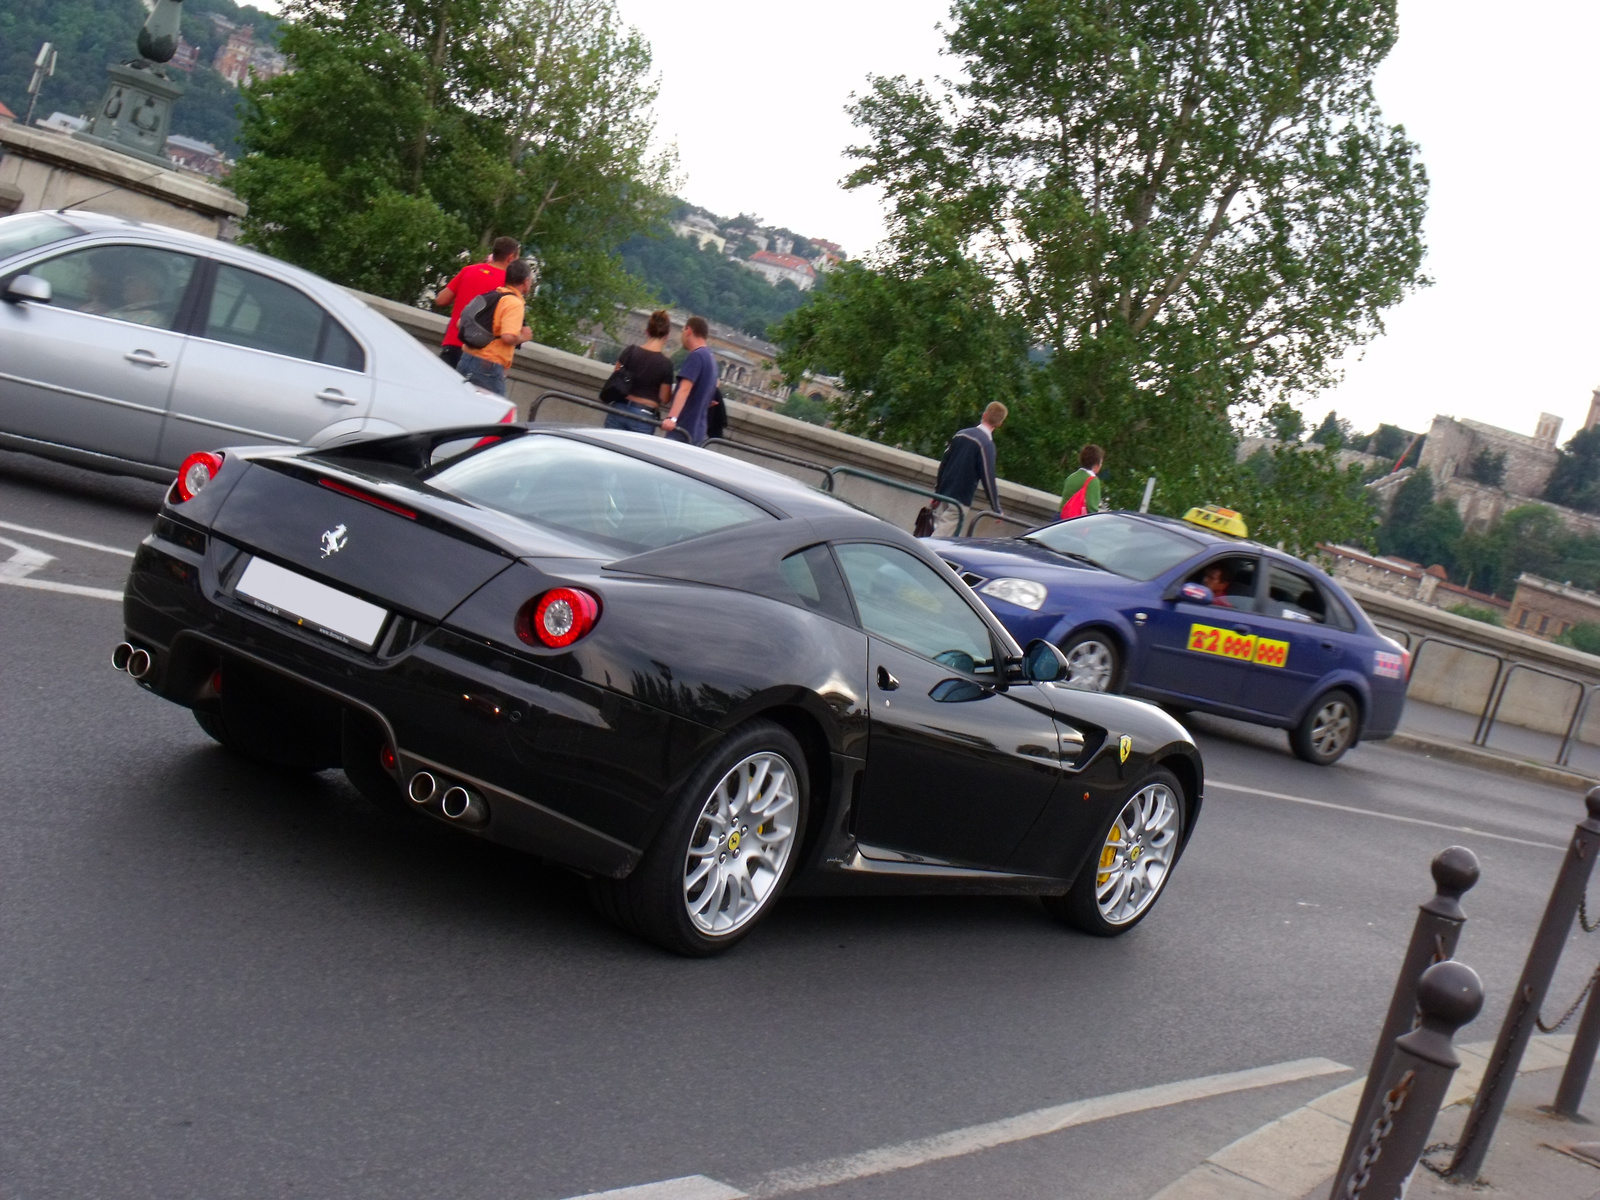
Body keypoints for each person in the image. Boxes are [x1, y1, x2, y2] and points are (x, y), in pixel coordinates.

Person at [434, 236, 520, 368]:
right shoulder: (508, 286)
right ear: (510, 257)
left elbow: (441, 300)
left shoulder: (468, 270)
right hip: (480, 352)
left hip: (452, 342)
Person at [927, 402, 1007, 538]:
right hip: (961, 497)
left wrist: (937, 491)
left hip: (945, 491)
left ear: (984, 415)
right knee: (941, 537)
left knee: (943, 530)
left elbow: (944, 462)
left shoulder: (961, 434)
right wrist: (996, 507)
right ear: (999, 424)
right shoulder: (986, 445)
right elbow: (988, 477)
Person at [454, 258, 533, 396]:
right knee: (499, 413)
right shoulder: (514, 303)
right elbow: (508, 336)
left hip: (466, 358)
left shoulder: (493, 295)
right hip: (488, 365)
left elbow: (460, 323)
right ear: (526, 281)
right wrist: (523, 337)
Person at [604, 310, 675, 434]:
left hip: (619, 407)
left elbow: (615, 378)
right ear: (667, 336)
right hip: (644, 415)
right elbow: (664, 398)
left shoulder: (630, 351)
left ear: (647, 331)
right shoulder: (666, 364)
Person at [661, 315, 717, 445]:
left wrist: (672, 418)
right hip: (698, 431)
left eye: (682, 331)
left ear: (689, 330)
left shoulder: (696, 356)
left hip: (683, 429)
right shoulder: (710, 358)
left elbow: (684, 389)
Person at [1059, 444, 1104, 519]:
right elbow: (1092, 508)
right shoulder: (1093, 481)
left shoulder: (1072, 477)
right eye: (1101, 463)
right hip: (1074, 521)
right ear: (1096, 465)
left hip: (1060, 517)